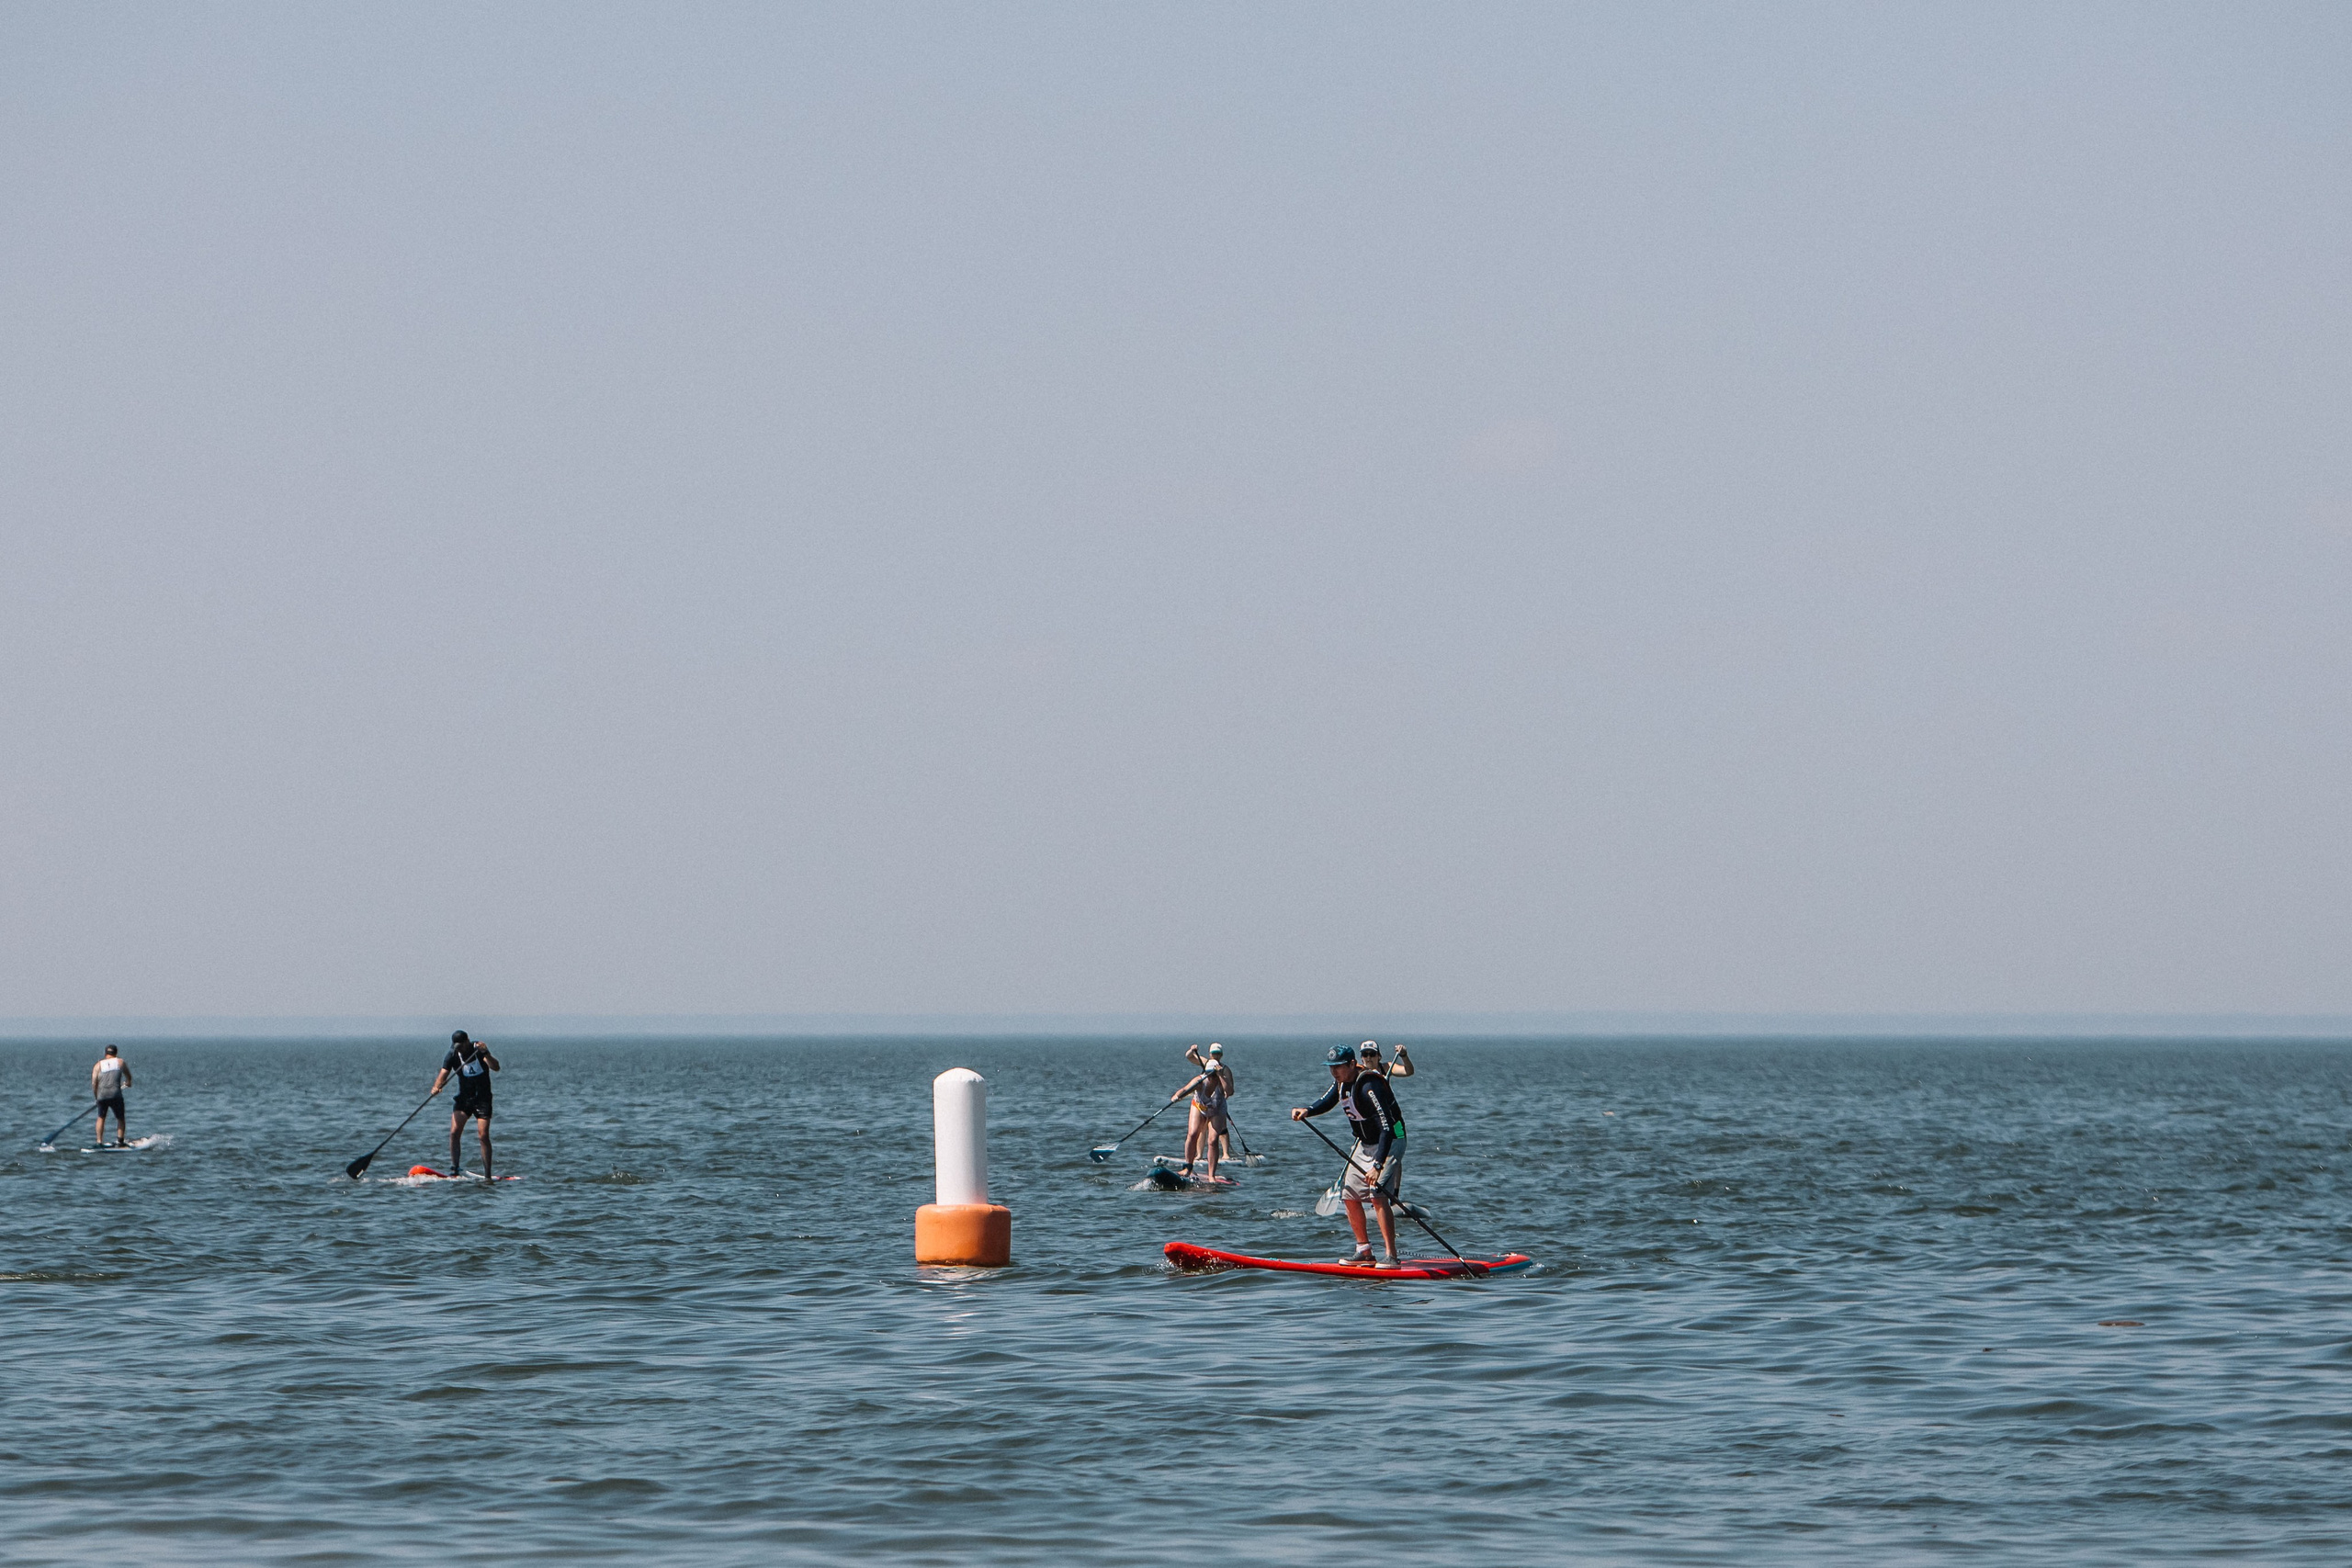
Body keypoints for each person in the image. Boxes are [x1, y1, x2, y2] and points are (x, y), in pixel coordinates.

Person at [1293, 1043, 1407, 1268]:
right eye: (1331, 1067)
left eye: (1338, 1067)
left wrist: (1378, 1165)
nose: (1334, 1071)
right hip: (1365, 1144)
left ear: (1352, 1064)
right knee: (1349, 1195)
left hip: (1390, 1141)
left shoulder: (1369, 1085)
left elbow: (1386, 1127)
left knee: (1377, 1195)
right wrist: (1308, 1110)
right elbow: (1328, 1100)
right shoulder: (1342, 1083)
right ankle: (1364, 1251)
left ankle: (1391, 1256)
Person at [428, 1030, 501, 1177]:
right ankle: (455, 1169)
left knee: (483, 1135)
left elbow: (495, 1067)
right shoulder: (452, 1055)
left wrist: (486, 1053)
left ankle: (487, 1174)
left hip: (482, 1099)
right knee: (454, 1132)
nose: (459, 1049)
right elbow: (443, 1074)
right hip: (464, 1099)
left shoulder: (479, 1050)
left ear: (467, 1041)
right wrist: (436, 1087)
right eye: (457, 1047)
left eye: (461, 1046)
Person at [1170, 1045, 1232, 1179]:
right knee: (1193, 1134)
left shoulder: (1222, 1079)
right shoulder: (1199, 1081)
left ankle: (1211, 1176)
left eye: (1213, 1075)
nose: (1211, 1078)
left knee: (1213, 1140)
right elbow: (1185, 1089)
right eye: (1209, 1075)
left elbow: (1230, 1091)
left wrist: (1220, 1075)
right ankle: (1187, 1168)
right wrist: (1176, 1096)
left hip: (1217, 1109)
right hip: (1199, 1106)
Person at [1183, 1043, 1237, 1161]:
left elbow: (1230, 1089)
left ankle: (1226, 1154)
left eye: (1218, 1054)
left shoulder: (1225, 1069)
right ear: (1210, 1054)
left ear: (1221, 1055)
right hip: (1204, 1101)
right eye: (1214, 1053)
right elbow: (1189, 1057)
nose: (1216, 1056)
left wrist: (1224, 1097)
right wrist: (1192, 1050)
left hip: (1218, 1101)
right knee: (1202, 1128)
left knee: (1222, 1127)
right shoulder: (1206, 1062)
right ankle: (1199, 1155)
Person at [90, 1045, 132, 1147]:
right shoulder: (120, 1062)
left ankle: (99, 1142)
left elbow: (94, 1083)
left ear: (105, 1054)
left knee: (101, 1117)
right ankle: (120, 1141)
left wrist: (97, 1098)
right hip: (116, 1095)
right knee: (120, 1118)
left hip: (102, 1096)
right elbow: (128, 1076)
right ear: (116, 1053)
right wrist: (128, 1082)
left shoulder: (98, 1065)